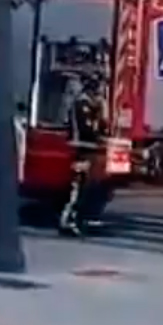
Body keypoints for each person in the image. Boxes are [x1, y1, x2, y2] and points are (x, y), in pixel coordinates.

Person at [58, 71, 107, 236]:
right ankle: (68, 221)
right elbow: (89, 130)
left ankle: (77, 219)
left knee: (84, 188)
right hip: (81, 150)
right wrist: (99, 118)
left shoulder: (90, 105)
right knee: (77, 188)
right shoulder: (82, 105)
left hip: (87, 150)